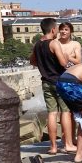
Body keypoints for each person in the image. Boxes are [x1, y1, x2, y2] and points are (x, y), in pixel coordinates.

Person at [31, 17, 73, 155]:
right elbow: (62, 63)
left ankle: (53, 147)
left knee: (52, 113)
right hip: (59, 81)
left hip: (46, 82)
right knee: (65, 112)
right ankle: (67, 144)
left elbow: (33, 61)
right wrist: (67, 58)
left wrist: (44, 65)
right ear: (53, 29)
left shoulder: (37, 44)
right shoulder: (54, 43)